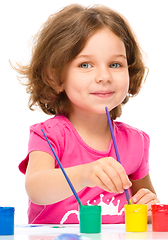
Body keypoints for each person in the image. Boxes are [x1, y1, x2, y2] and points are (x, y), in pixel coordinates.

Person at [16, 4, 159, 224]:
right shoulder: (49, 135)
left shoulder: (136, 142)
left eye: (115, 64)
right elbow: (36, 188)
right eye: (85, 64)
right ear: (55, 77)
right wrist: (84, 175)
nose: (104, 76)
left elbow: (149, 204)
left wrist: (149, 208)